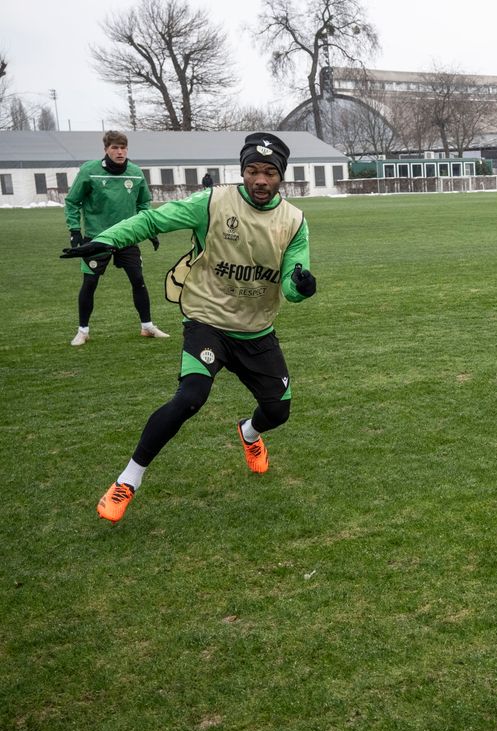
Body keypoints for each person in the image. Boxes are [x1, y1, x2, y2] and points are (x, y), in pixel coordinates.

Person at [60, 133, 318, 523]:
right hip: (207, 320)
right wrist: (107, 240)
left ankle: (249, 433)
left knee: (278, 411)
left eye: (269, 172)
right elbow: (153, 219)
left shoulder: (294, 221)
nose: (260, 180)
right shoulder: (212, 202)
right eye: (252, 170)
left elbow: (290, 280)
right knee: (190, 397)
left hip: (256, 330)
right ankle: (127, 481)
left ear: (281, 175)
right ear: (242, 171)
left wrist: (299, 286)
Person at [63, 130, 168, 346]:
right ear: (106, 150)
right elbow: (73, 201)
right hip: (97, 237)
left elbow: (143, 205)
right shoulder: (89, 170)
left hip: (127, 237)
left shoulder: (136, 172)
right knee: (90, 283)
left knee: (138, 280)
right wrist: (75, 232)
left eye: (123, 148)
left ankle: (147, 326)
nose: (120, 152)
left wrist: (151, 231)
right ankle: (83, 331)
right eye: (115, 148)